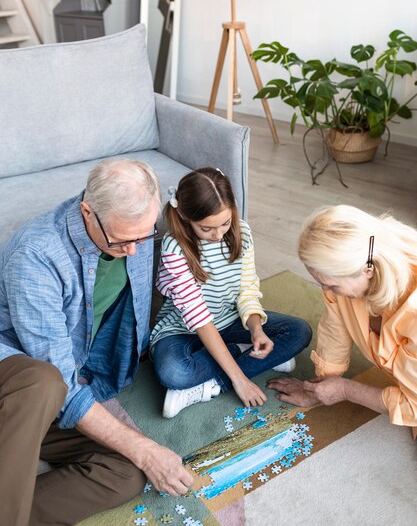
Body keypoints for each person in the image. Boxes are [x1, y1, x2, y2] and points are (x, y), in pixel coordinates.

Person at [0, 158, 193, 526]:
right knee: (45, 382)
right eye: (123, 240)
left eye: (144, 235)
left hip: (48, 403)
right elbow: (62, 381)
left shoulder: (131, 234)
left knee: (127, 470)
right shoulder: (37, 255)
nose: (135, 251)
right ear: (87, 211)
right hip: (17, 390)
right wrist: (146, 448)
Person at [150, 167, 312, 418]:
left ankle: (212, 384)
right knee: (174, 373)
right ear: (183, 215)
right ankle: (239, 350)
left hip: (229, 319)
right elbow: (198, 317)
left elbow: (247, 289)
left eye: (225, 223)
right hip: (182, 328)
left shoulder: (241, 233)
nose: (218, 234)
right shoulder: (174, 249)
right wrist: (239, 380)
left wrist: (256, 329)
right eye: (206, 229)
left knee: (299, 331)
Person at [267, 204, 417, 435]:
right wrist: (319, 389)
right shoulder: (350, 273)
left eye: (332, 284)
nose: (326, 290)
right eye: (321, 282)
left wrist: (347, 390)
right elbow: (334, 333)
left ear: (368, 269)